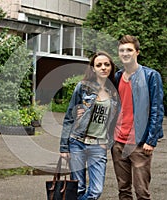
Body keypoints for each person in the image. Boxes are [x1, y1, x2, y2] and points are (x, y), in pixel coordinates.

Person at [60, 51, 119, 200]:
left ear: (111, 67)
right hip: (77, 142)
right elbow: (69, 117)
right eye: (99, 65)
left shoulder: (114, 91)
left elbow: (115, 121)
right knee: (78, 188)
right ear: (93, 68)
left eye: (106, 64)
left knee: (96, 191)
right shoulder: (82, 87)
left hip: (98, 145)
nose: (103, 68)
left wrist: (108, 143)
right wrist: (64, 147)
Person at [111, 35, 164, 200]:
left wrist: (151, 140)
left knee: (142, 192)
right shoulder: (117, 77)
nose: (125, 53)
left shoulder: (150, 76)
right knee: (123, 190)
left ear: (137, 52)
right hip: (118, 142)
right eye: (122, 50)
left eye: (129, 50)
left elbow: (156, 108)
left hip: (140, 143)